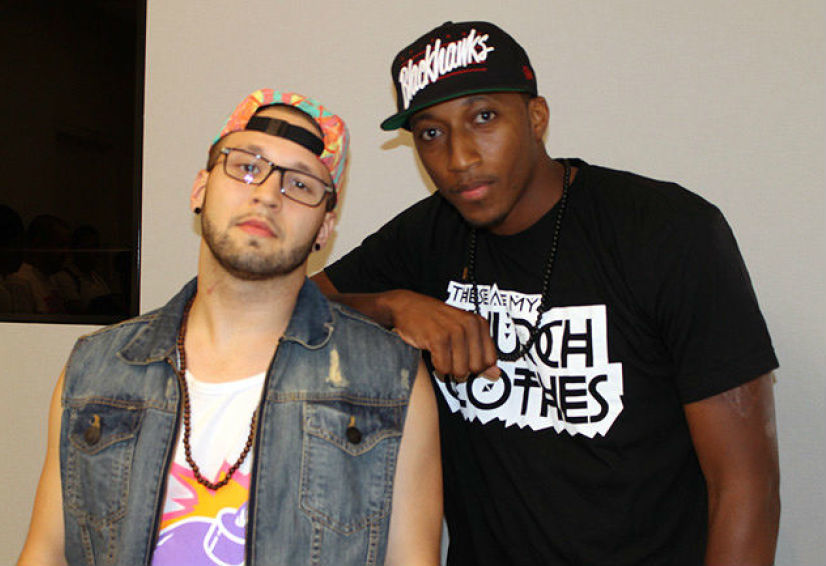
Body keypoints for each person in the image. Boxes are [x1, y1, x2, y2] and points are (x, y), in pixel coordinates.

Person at [313, 21, 780, 566]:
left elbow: (745, 487)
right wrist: (392, 305)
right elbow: (278, 312)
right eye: (431, 133)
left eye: (484, 117)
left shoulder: (665, 231)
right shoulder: (427, 238)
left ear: (537, 118)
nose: (459, 157)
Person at [17, 88, 442, 566]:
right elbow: (46, 551)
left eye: (300, 184)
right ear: (200, 188)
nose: (267, 194)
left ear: (325, 228)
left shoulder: (390, 383)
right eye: (246, 166)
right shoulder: (95, 372)